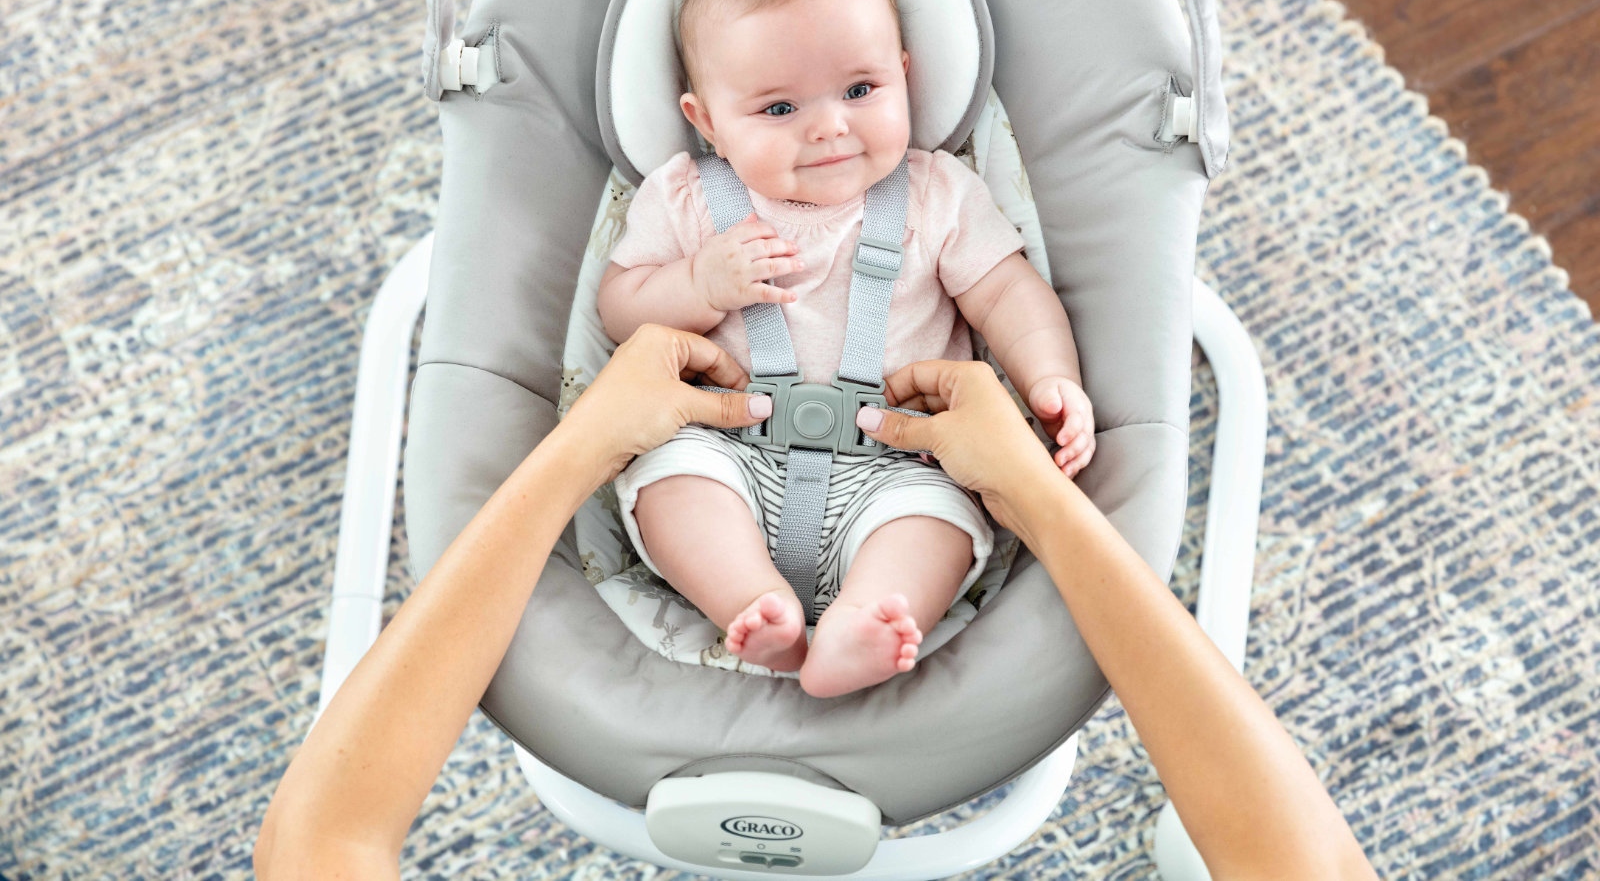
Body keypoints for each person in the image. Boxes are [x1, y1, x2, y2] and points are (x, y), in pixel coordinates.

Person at [254, 323, 1378, 880]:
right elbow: (1300, 862)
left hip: (852, 477)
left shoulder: (931, 206)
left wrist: (584, 443)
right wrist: (1034, 497)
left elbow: (323, 832)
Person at [596, 0, 1095, 697]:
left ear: (905, 76)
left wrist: (1049, 378)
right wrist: (699, 284)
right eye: (778, 107)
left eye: (861, 91)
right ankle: (751, 603)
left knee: (937, 523)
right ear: (707, 122)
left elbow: (1006, 293)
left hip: (898, 468)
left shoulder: (937, 195)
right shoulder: (690, 198)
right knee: (672, 480)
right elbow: (619, 312)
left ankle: (866, 623)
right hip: (729, 452)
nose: (830, 126)